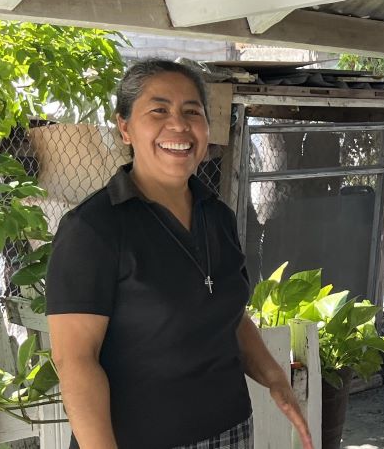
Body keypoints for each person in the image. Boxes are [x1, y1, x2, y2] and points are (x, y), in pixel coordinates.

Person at [46, 59, 313, 449]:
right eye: (159, 110)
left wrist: (275, 379)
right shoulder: (93, 228)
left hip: (230, 431)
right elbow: (75, 362)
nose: (178, 125)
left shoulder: (217, 216)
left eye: (192, 111)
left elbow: (229, 317)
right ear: (124, 128)